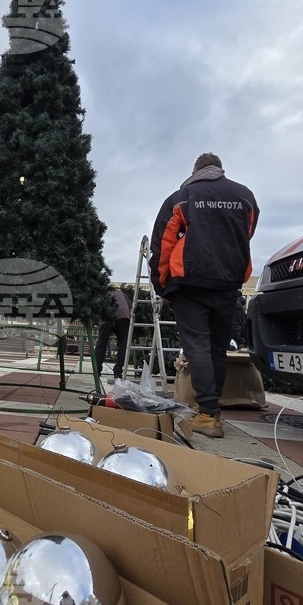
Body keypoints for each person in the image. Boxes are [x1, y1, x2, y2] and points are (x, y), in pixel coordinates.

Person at [149, 152, 258, 438]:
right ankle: (212, 412)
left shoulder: (183, 196)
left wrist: (161, 284)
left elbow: (163, 242)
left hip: (190, 282)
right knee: (216, 350)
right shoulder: (245, 196)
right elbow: (246, 232)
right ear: (219, 170)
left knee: (197, 346)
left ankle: (208, 415)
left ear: (196, 171)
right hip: (227, 282)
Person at [94, 286, 131, 380]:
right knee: (123, 345)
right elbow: (129, 305)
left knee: (102, 343)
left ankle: (97, 370)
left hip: (108, 317)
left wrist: (99, 322)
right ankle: (118, 372)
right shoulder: (121, 292)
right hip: (124, 317)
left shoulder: (100, 293)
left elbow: (97, 308)